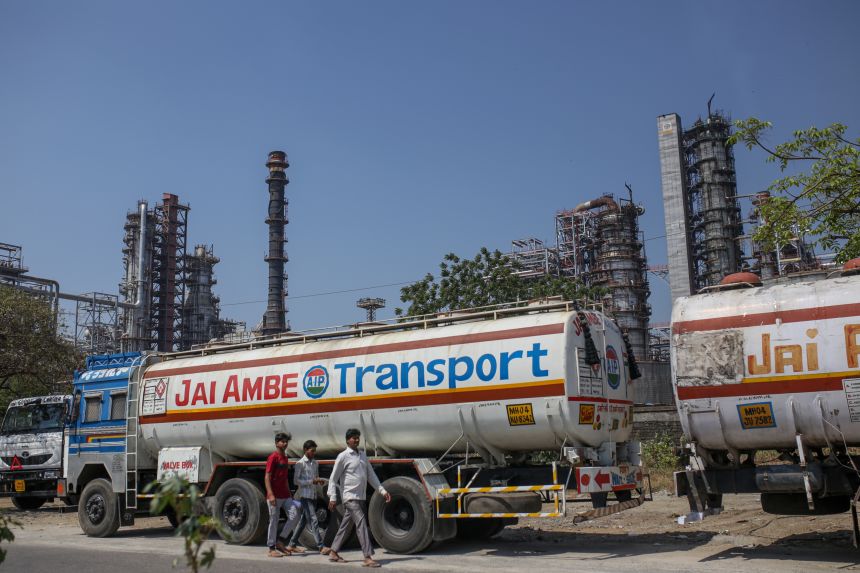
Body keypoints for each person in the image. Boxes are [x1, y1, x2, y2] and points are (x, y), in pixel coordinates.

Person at [326, 428, 391, 568]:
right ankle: (367, 556)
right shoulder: (343, 456)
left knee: (346, 525)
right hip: (349, 497)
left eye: (357, 437)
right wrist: (332, 497)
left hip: (360, 497)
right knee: (361, 522)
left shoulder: (362, 455)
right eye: (353, 438)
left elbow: (371, 475)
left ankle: (333, 551)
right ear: (347, 440)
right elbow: (333, 479)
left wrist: (382, 490)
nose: (356, 440)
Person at [264, 432, 302, 558]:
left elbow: (285, 478)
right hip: (274, 496)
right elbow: (267, 477)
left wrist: (289, 495)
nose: (285, 444)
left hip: (285, 495)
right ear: (276, 443)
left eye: (286, 442)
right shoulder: (273, 457)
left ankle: (280, 541)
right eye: (282, 441)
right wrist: (270, 494)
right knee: (274, 521)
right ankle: (271, 548)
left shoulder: (285, 458)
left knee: (295, 515)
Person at [286, 439, 327, 553]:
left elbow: (316, 477)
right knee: (313, 519)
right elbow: (295, 481)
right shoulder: (300, 463)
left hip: (313, 496)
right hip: (305, 496)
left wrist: (319, 481)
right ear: (305, 450)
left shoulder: (315, 463)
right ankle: (321, 546)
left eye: (314, 451)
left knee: (303, 521)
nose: (313, 453)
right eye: (311, 450)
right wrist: (311, 481)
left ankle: (292, 544)